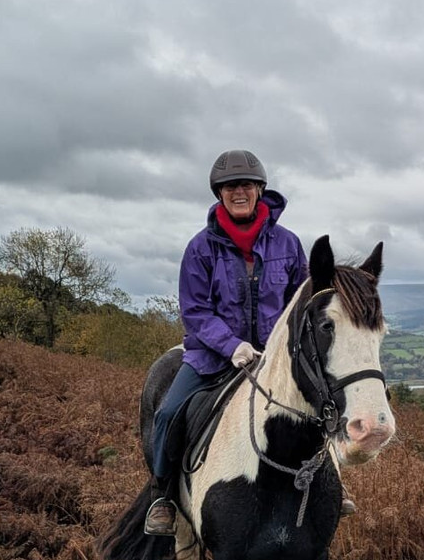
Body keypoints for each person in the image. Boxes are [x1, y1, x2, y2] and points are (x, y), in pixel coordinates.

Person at [143, 149, 355, 535]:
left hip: (274, 358)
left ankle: (332, 485)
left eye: (245, 184)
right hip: (212, 358)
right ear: (219, 194)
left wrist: (283, 347)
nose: (238, 192)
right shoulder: (200, 248)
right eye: (229, 186)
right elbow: (195, 311)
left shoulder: (288, 244)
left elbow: (300, 302)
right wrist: (232, 346)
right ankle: (163, 496)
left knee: (322, 401)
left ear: (259, 190)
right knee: (168, 412)